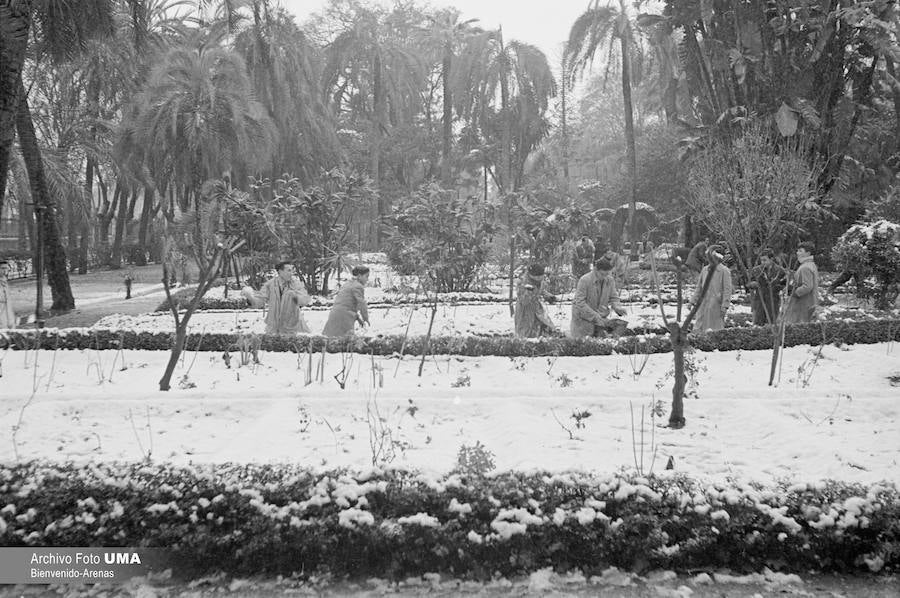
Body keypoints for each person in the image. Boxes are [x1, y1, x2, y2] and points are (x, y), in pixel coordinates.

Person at [244, 261, 311, 335]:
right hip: (274, 325)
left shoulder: (296, 284)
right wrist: (250, 298)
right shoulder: (270, 285)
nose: (291, 273)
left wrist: (295, 297)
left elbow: (305, 299)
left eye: (292, 270)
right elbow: (261, 300)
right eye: (288, 270)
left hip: (291, 325)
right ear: (280, 271)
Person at [570, 257, 628, 339]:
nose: (605, 277)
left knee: (608, 337)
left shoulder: (610, 280)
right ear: (595, 270)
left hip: (600, 318)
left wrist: (617, 307)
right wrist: (594, 316)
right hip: (583, 319)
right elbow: (580, 303)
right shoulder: (585, 280)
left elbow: (614, 297)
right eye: (602, 274)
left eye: (607, 274)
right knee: (585, 344)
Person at [689, 245, 733, 332]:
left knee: (714, 329)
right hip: (702, 303)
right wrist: (692, 301)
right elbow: (699, 287)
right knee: (698, 327)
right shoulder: (705, 270)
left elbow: (727, 290)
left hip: (716, 305)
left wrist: (725, 305)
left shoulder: (724, 271)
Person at [323, 265, 371, 337]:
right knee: (344, 340)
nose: (367, 279)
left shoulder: (347, 284)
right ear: (359, 276)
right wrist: (365, 318)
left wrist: (358, 318)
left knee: (331, 338)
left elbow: (347, 303)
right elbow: (362, 304)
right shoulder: (358, 286)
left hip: (335, 313)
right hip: (344, 316)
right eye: (366, 276)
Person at [514, 264, 558, 338]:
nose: (540, 278)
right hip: (525, 310)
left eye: (541, 276)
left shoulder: (539, 281)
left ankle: (543, 343)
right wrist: (529, 292)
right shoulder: (523, 282)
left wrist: (548, 296)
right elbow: (523, 300)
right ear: (531, 275)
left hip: (537, 308)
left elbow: (541, 290)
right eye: (538, 276)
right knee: (526, 330)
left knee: (544, 326)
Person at [747, 249, 787, 325]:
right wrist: (753, 284)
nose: (762, 262)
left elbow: (784, 284)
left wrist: (777, 287)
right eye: (761, 260)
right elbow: (749, 284)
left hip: (773, 301)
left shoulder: (780, 271)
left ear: (771, 259)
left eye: (765, 260)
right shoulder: (756, 270)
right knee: (758, 324)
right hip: (760, 302)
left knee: (772, 324)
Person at [784, 242, 820, 324]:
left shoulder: (805, 267)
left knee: (800, 324)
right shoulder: (811, 264)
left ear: (808, 253)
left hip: (804, 303)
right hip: (810, 301)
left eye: (800, 251)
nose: (797, 253)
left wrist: (793, 292)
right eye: (797, 251)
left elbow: (807, 286)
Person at [0, 260, 17, 328]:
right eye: (2, 268)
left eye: (6, 268)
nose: (5, 270)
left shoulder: (4, 281)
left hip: (7, 309)